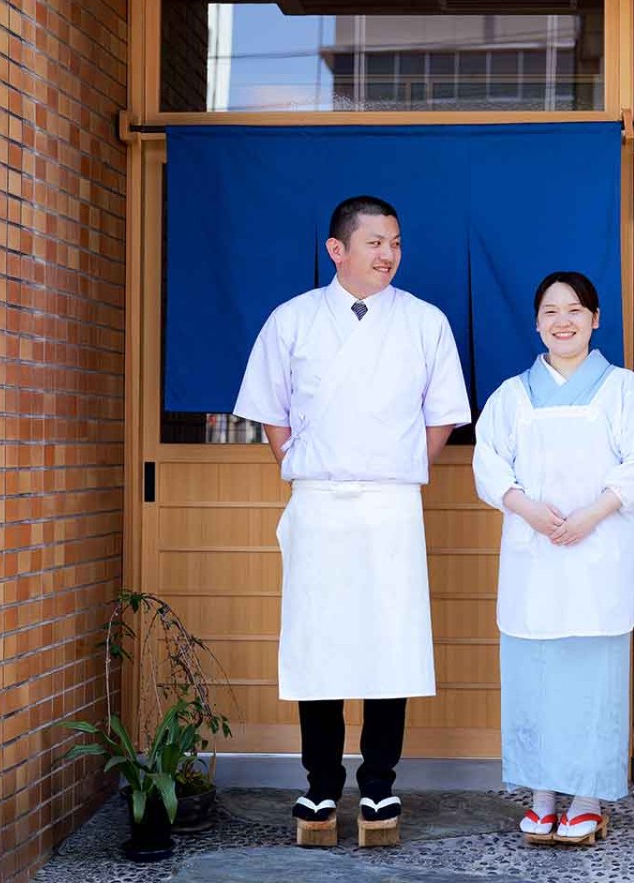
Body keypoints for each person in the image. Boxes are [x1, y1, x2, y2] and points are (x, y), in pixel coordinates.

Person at [233, 195, 471, 846]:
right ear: (337, 249)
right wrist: (296, 458)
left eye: (395, 241)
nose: (388, 253)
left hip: (391, 500)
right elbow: (269, 406)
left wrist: (399, 466)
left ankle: (380, 783)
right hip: (319, 498)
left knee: (387, 642)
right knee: (321, 642)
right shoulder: (295, 320)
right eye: (374, 242)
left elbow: (444, 410)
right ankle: (318, 784)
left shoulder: (424, 322)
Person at [473, 271, 634, 845]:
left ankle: (585, 797)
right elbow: (489, 464)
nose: (563, 321)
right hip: (534, 553)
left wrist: (594, 512)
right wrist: (524, 507)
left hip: (597, 550)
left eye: (575, 310)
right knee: (534, 674)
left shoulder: (623, 390)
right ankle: (540, 795)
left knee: (591, 676)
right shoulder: (512, 396)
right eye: (551, 311)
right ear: (537, 323)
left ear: (595, 319)